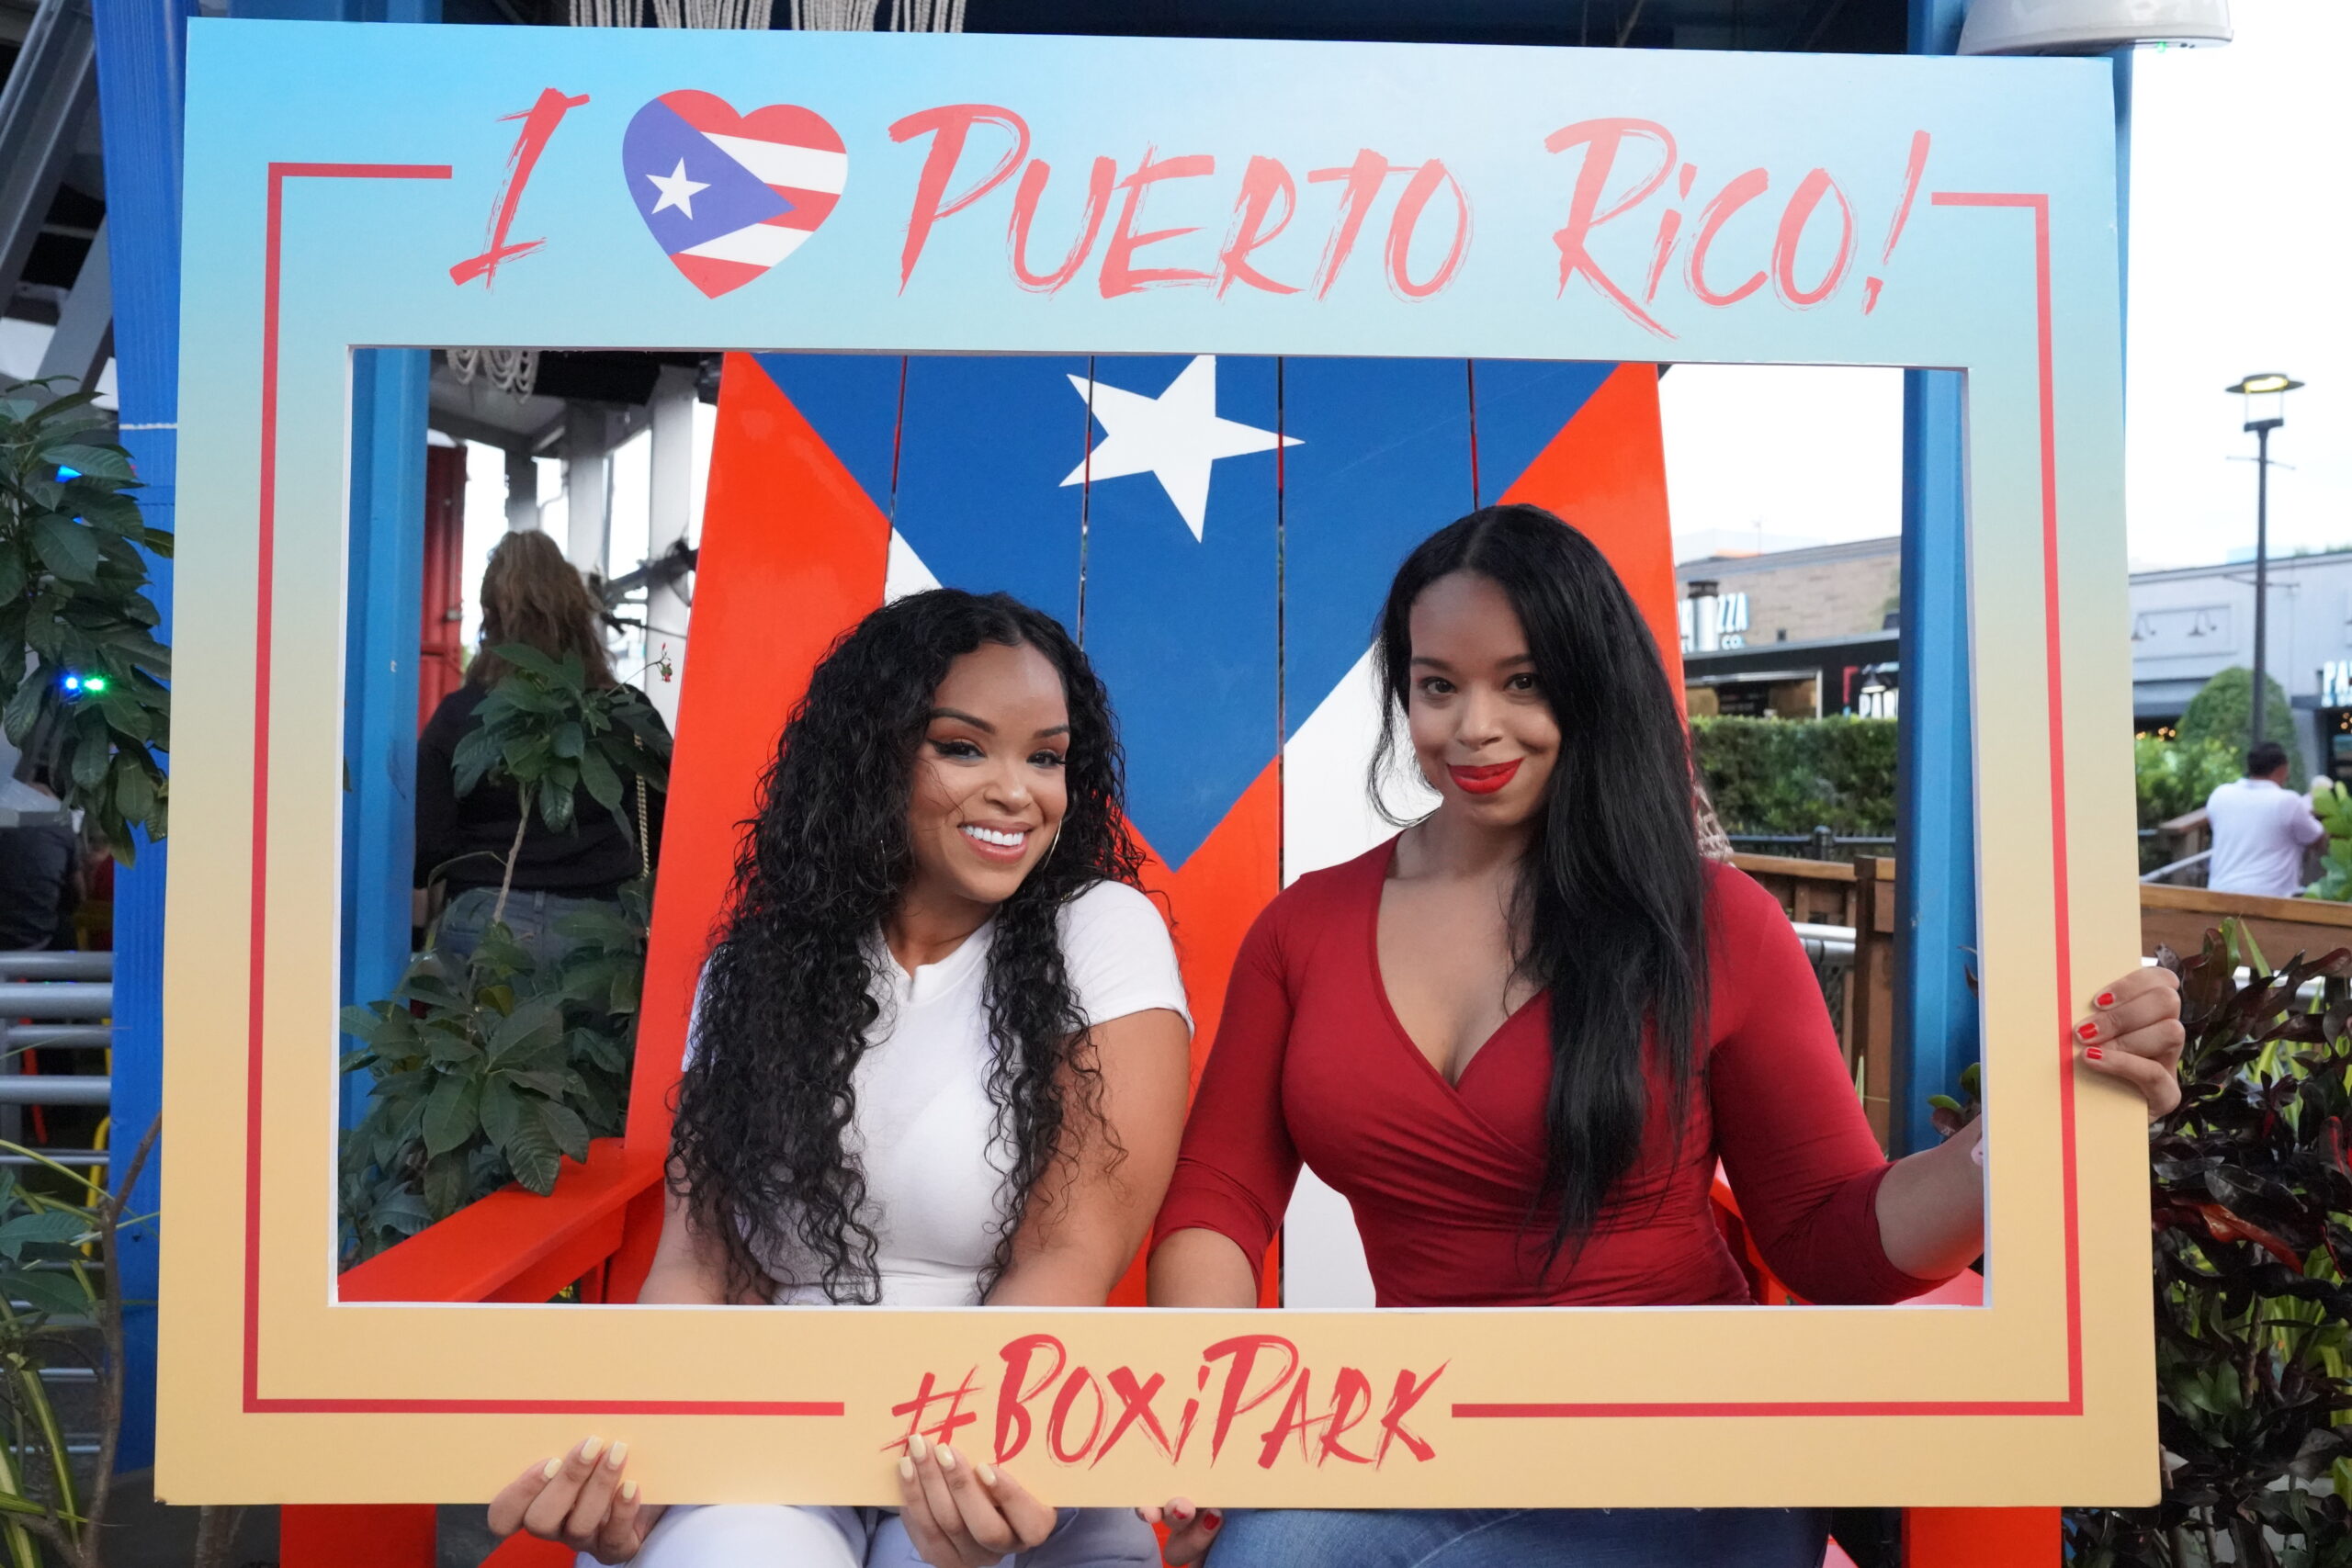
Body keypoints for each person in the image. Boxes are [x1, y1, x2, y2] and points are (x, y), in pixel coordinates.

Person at [1141, 506, 2182, 1568]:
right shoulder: (1302, 928)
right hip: (1432, 1436)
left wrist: (2023, 1132)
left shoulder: (1714, 922)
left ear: (1592, 687)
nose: (1472, 727)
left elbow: (1827, 1234)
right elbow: (1218, 1200)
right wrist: (1203, 1418)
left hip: (1689, 1448)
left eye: (1524, 681)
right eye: (1436, 684)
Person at [486, 589, 1193, 1567]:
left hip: (1000, 1434)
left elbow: (1073, 1254)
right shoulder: (755, 967)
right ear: (870, 755)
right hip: (776, 1434)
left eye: (1045, 757)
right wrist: (638, 1464)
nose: (1017, 791)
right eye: (962, 747)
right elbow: (696, 1267)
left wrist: (960, 1468)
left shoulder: (1101, 932)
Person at [414, 529, 668, 971]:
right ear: (578, 614)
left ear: (490, 619)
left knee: (483, 1042)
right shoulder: (627, 715)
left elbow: (429, 847)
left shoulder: (461, 717)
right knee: (595, 1043)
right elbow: (667, 828)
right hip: (599, 926)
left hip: (485, 923)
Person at [2204, 739, 2327, 898]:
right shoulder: (2288, 801)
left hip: (2218, 892)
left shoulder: (2220, 794)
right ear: (2283, 769)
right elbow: (2316, 838)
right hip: (2271, 898)